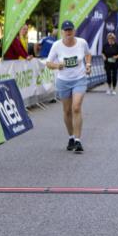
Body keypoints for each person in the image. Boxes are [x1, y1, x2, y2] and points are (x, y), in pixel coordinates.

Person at [45, 20, 91, 153]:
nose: (68, 32)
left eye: (70, 30)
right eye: (66, 30)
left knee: (76, 107)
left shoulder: (82, 43)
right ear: (62, 32)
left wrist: (88, 65)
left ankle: (78, 140)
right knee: (66, 111)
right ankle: (71, 137)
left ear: (74, 31)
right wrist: (57, 65)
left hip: (79, 79)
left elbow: (88, 54)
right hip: (63, 81)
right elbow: (48, 63)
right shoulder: (57, 45)